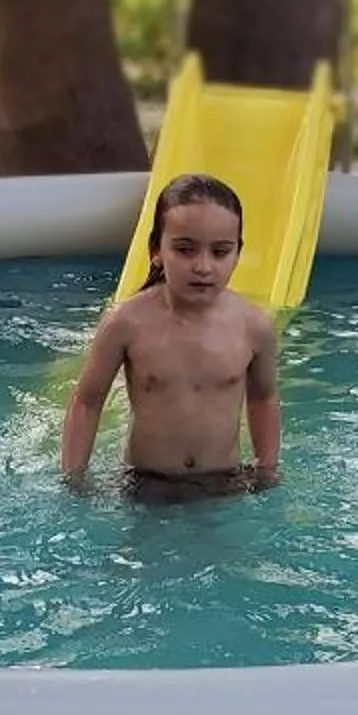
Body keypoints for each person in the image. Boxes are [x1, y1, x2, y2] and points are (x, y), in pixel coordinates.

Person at [61, 172, 282, 498]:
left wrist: (267, 468)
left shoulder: (254, 326)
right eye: (185, 250)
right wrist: (74, 477)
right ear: (156, 250)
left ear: (238, 253)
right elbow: (87, 401)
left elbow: (264, 398)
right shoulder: (125, 323)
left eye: (220, 252)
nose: (203, 266)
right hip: (145, 482)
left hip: (224, 481)